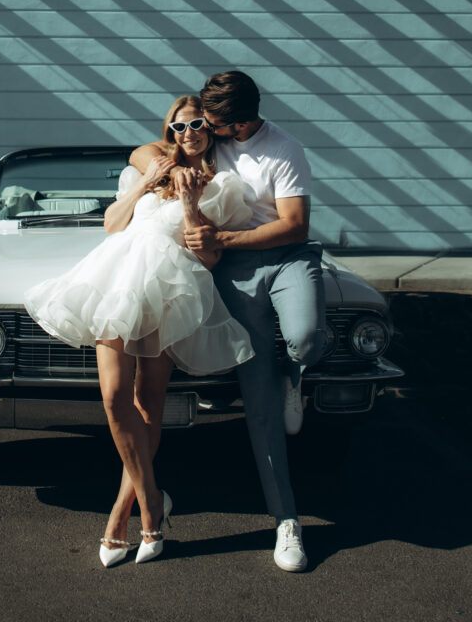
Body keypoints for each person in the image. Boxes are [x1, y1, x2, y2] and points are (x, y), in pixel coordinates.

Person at [24, 95, 255, 567]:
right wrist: (146, 182)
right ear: (168, 132)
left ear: (209, 130)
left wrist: (191, 202)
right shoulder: (147, 170)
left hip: (167, 289)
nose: (187, 133)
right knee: (113, 397)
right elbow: (113, 225)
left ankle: (120, 516)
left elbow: (209, 255)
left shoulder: (224, 183)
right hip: (115, 281)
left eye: (195, 125)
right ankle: (152, 502)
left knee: (149, 405)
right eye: (178, 126)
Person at [130, 71, 326, 572]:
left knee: (304, 338)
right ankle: (287, 521)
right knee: (258, 401)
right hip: (235, 274)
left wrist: (222, 240)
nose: (204, 131)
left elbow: (295, 223)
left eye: (214, 124)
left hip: (287, 257)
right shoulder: (208, 139)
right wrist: (158, 165)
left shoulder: (285, 148)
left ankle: (295, 378)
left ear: (240, 122)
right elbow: (148, 148)